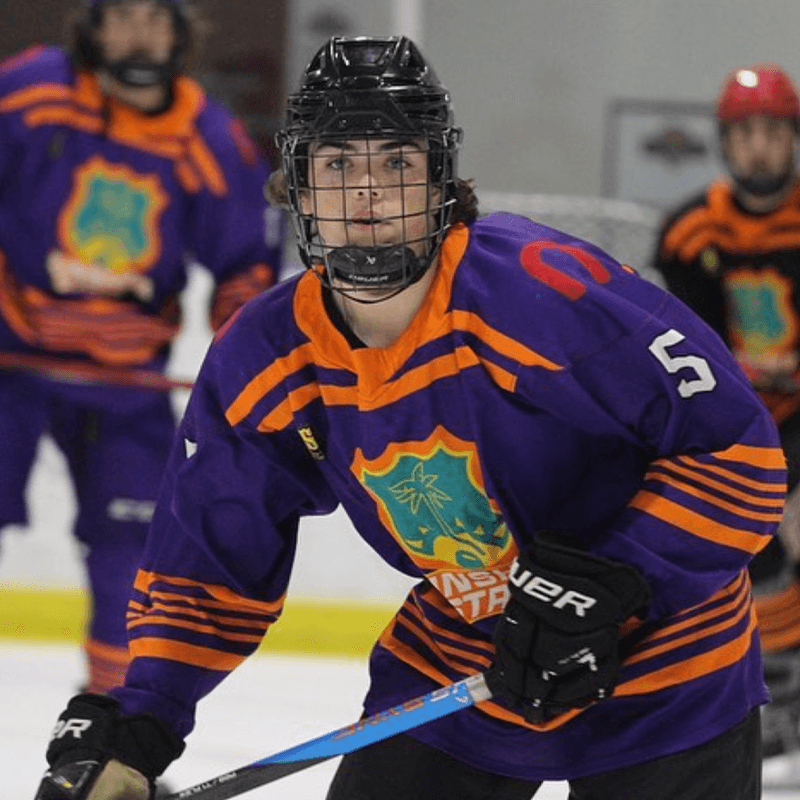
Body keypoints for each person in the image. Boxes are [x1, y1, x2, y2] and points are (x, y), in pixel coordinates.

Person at [34, 36, 785, 800]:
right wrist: (136, 726)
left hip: (667, 664)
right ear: (297, 187)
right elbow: (208, 566)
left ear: (439, 178)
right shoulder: (265, 358)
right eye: (337, 166)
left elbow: (739, 451)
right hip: (467, 661)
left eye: (395, 162)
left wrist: (622, 576)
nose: (368, 195)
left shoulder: (539, 292)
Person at [0, 0, 283, 697]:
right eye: (120, 15)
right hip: (9, 364)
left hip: (128, 383)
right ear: (91, 27)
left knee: (138, 556)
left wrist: (241, 365)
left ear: (182, 31)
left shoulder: (206, 133)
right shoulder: (31, 92)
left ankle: (108, 729)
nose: (138, 33)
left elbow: (246, 264)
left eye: (156, 17)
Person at [653, 64, 800, 769]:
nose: (760, 149)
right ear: (723, 141)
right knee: (750, 544)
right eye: (745, 134)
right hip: (741, 420)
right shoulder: (690, 229)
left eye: (773, 131)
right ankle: (780, 699)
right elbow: (693, 351)